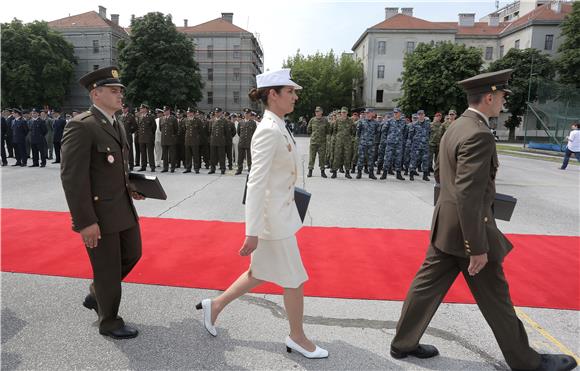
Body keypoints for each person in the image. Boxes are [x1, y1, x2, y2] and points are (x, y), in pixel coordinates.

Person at [390, 69, 577, 371]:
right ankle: (527, 362)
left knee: (425, 287)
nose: (503, 102)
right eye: (502, 96)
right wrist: (476, 246)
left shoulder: (456, 126)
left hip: (447, 226)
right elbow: (468, 194)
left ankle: (403, 343)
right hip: (470, 231)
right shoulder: (478, 133)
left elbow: (442, 176)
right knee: (497, 299)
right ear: (489, 97)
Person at [196, 68, 328, 359]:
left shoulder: (279, 124)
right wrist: (252, 231)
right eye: (290, 91)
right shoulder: (268, 130)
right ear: (273, 94)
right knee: (295, 279)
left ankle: (214, 306)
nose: (295, 96)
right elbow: (255, 183)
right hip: (273, 221)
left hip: (281, 214)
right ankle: (297, 337)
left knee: (259, 273)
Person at [60, 66, 146, 340]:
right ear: (96, 94)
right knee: (107, 269)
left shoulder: (114, 122)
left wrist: (133, 186)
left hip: (122, 207)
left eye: (120, 90)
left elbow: (115, 169)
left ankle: (98, 293)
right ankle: (108, 321)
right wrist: (85, 221)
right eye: (114, 90)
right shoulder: (82, 126)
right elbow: (73, 178)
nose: (120, 94)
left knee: (133, 254)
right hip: (99, 213)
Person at [306, 106, 328, 178]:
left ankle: (322, 172)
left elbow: (328, 130)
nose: (317, 113)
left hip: (322, 142)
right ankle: (310, 171)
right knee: (312, 157)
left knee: (322, 158)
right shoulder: (312, 120)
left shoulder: (325, 120)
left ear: (322, 112)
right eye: (316, 111)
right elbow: (308, 129)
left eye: (318, 111)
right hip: (313, 142)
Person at [236, 108, 257, 175]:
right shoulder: (240, 122)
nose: (246, 115)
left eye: (248, 114)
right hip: (242, 142)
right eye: (245, 113)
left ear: (250, 114)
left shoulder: (253, 123)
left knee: (249, 157)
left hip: (249, 142)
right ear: (244, 114)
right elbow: (238, 132)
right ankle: (239, 169)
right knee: (240, 157)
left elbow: (254, 133)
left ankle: (250, 169)